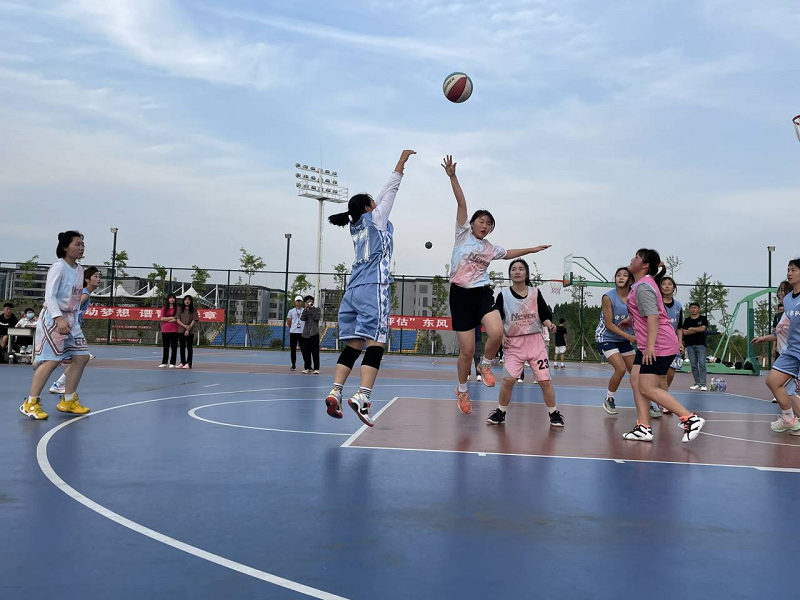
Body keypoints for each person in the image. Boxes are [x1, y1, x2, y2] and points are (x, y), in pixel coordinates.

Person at [441, 154, 550, 415]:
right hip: (460, 295)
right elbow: (461, 202)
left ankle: (486, 364)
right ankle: (462, 390)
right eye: (481, 221)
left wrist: (532, 249)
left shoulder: (490, 248)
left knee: (497, 332)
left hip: (481, 293)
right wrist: (453, 176)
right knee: (467, 351)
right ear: (472, 223)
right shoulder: (462, 235)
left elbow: (510, 253)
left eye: (489, 224)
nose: (485, 225)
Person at [323, 149, 416, 426]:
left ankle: (335, 391)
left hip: (352, 289)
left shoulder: (356, 225)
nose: (378, 203)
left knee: (354, 344)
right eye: (374, 203)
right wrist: (401, 163)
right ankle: (363, 396)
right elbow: (391, 190)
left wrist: (398, 168)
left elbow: (382, 194)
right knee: (377, 342)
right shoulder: (375, 219)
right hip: (373, 287)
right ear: (368, 208)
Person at [621, 248, 704, 443]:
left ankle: (690, 419)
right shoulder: (643, 284)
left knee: (648, 388)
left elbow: (653, 317)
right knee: (636, 380)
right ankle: (643, 427)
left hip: (658, 344)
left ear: (644, 265)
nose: (632, 259)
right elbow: (647, 312)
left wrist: (651, 346)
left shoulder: (643, 287)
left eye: (636, 257)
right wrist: (630, 320)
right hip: (648, 343)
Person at [19, 231, 91, 419]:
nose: (81, 247)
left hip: (71, 320)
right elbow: (49, 296)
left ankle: (68, 400)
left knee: (82, 357)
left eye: (82, 244)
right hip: (54, 319)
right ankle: (30, 403)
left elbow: (75, 297)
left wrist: (73, 318)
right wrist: (59, 318)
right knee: (51, 360)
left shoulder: (80, 269)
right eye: (77, 244)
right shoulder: (58, 267)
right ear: (65, 247)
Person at [486, 259, 563, 427]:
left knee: (544, 380)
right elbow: (497, 317)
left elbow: (544, 314)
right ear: (510, 274)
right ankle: (501, 412)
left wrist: (549, 324)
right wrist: (501, 335)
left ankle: (554, 413)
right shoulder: (503, 295)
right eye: (514, 269)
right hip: (513, 343)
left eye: (521, 269)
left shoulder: (535, 293)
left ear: (526, 273)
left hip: (535, 342)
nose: (517, 271)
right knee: (508, 380)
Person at [595, 267, 640, 416]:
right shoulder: (608, 297)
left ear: (631, 280)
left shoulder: (635, 297)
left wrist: (631, 320)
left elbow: (640, 316)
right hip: (606, 337)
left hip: (623, 338)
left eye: (625, 275)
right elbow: (609, 324)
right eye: (618, 275)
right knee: (620, 369)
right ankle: (609, 399)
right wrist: (630, 337)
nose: (621, 277)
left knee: (636, 372)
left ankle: (646, 402)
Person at [49, 266, 100, 394]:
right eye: (95, 276)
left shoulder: (85, 292)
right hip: (71, 329)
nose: (98, 279)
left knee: (79, 358)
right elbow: (73, 307)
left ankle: (59, 383)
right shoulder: (84, 294)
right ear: (87, 279)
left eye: (99, 276)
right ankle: (49, 371)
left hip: (72, 327)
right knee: (80, 357)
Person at [753, 277, 800, 408]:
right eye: (779, 290)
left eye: (782, 290)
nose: (779, 293)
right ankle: (789, 417)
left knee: (789, 391)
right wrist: (765, 338)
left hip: (795, 355)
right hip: (787, 355)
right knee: (787, 391)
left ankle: (789, 416)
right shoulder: (783, 314)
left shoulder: (794, 313)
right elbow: (778, 334)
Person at [659, 276, 684, 406]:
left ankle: (662, 396)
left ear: (674, 287)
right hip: (659, 342)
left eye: (670, 284)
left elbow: (679, 327)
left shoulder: (678, 306)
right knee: (661, 373)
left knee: (670, 373)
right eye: (664, 284)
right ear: (660, 287)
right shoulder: (656, 303)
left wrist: (680, 342)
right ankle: (662, 400)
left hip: (673, 343)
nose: (667, 286)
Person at [682, 302, 709, 391]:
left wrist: (691, 328)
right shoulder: (687, 320)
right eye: (691, 308)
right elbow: (685, 332)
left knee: (702, 364)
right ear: (689, 309)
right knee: (693, 365)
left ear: (698, 309)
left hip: (701, 345)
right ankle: (697, 383)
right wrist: (697, 329)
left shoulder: (703, 319)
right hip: (690, 346)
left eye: (695, 308)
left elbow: (703, 329)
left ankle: (703, 384)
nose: (693, 309)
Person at [300, 295, 321, 374]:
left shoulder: (317, 309)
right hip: (306, 333)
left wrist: (311, 310)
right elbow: (302, 318)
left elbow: (316, 318)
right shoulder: (305, 310)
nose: (309, 302)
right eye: (307, 301)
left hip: (314, 333)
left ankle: (316, 368)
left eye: (311, 301)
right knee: (306, 352)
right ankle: (307, 367)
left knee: (315, 352)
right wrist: (306, 309)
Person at [159, 293, 179, 368]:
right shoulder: (164, 308)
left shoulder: (178, 309)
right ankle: (164, 362)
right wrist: (172, 318)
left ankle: (172, 363)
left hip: (175, 330)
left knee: (174, 347)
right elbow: (162, 318)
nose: (172, 299)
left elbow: (177, 319)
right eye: (170, 298)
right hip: (165, 330)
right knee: (166, 347)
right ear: (168, 299)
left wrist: (167, 319)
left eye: (173, 298)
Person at [177, 294, 197, 369]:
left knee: (189, 347)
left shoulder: (193, 310)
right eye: (185, 299)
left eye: (189, 300)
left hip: (190, 331)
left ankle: (188, 363)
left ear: (191, 301)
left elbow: (194, 320)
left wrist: (188, 329)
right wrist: (185, 326)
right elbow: (178, 320)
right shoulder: (180, 310)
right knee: (182, 347)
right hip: (181, 330)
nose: (187, 301)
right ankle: (182, 362)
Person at [285, 296, 305, 371]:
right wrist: (292, 327)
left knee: (304, 349)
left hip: (302, 332)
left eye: (300, 301)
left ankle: (307, 365)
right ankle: (293, 365)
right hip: (293, 332)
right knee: (293, 349)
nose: (298, 302)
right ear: (295, 302)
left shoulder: (304, 310)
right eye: (297, 301)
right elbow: (288, 321)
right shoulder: (291, 311)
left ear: (301, 302)